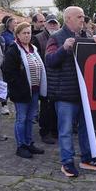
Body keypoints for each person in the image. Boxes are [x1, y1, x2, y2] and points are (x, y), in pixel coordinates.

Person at [45, 6, 96, 177]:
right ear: (68, 19)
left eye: (83, 16)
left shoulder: (85, 36)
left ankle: (87, 159)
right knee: (65, 130)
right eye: (79, 16)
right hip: (65, 94)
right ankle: (67, 163)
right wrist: (63, 48)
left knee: (86, 128)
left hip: (84, 93)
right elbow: (50, 61)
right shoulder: (56, 38)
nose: (83, 19)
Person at [2, 22, 47, 159]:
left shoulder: (33, 49)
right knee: (21, 119)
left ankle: (29, 143)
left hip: (34, 90)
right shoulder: (13, 50)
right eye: (24, 33)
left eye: (29, 33)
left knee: (30, 119)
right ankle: (21, 146)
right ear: (18, 35)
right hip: (21, 92)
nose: (27, 35)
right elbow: (8, 72)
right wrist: (19, 86)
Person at [36, 15, 60, 144]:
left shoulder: (62, 37)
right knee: (45, 107)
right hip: (45, 77)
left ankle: (55, 130)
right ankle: (44, 132)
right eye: (50, 23)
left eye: (54, 23)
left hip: (59, 78)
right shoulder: (38, 38)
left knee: (56, 106)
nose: (52, 26)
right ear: (45, 25)